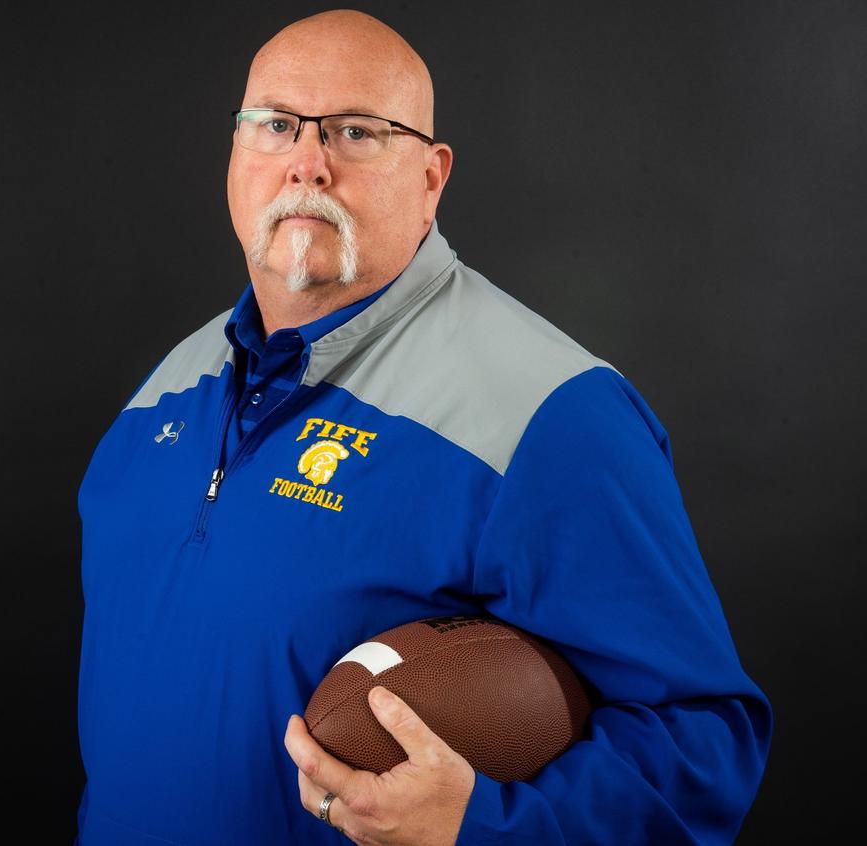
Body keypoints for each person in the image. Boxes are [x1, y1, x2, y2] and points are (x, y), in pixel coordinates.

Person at [73, 10, 772, 845]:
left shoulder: (550, 414)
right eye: (274, 125)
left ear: (432, 176)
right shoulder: (168, 387)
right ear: (236, 153)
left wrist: (483, 828)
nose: (307, 164)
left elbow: (705, 742)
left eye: (357, 132)